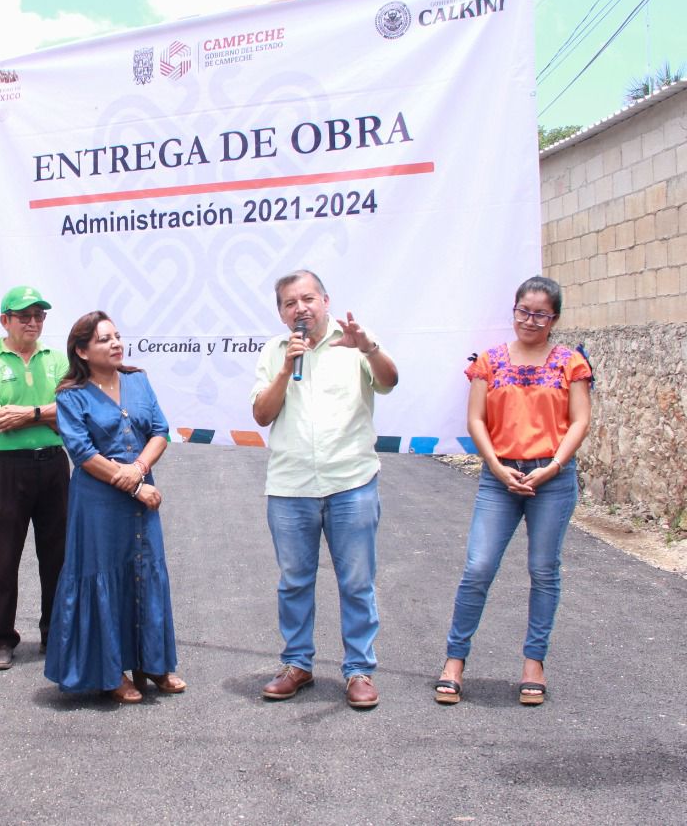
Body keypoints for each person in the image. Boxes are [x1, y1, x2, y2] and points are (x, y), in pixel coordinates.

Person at [434, 276, 591, 706]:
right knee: (478, 568)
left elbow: (580, 420)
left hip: (552, 478)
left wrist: (553, 467)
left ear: (554, 318)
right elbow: (476, 419)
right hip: (499, 477)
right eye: (524, 311)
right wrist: (496, 466)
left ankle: (533, 663)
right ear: (514, 310)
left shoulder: (571, 363)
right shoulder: (489, 361)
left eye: (541, 314)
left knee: (543, 570)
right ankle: (454, 660)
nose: (530, 320)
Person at [249, 269, 399, 709]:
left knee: (356, 582)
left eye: (308, 298)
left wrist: (369, 347)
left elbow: (389, 381)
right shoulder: (275, 351)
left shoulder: (355, 341)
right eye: (290, 303)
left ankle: (359, 670)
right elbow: (262, 414)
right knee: (294, 582)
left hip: (351, 482)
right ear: (281, 313)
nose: (300, 308)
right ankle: (296, 664)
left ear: (325, 301)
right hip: (291, 486)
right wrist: (286, 368)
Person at [44, 312, 185, 704]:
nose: (116, 344)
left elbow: (160, 431)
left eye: (117, 336)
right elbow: (82, 452)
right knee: (104, 575)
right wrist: (135, 485)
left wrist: (139, 469)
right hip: (98, 504)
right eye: (104, 339)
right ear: (82, 351)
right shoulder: (71, 395)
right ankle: (111, 673)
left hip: (141, 494)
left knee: (145, 572)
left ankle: (153, 664)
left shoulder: (138, 380)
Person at [0, 285, 69, 671]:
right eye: (24, 316)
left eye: (38, 316)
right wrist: (46, 413)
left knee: (56, 555)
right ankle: (2, 639)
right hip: (5, 469)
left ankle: (53, 632)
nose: (32, 322)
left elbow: (71, 410)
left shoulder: (56, 359)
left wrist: (26, 414)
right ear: (4, 320)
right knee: (3, 555)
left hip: (52, 465)